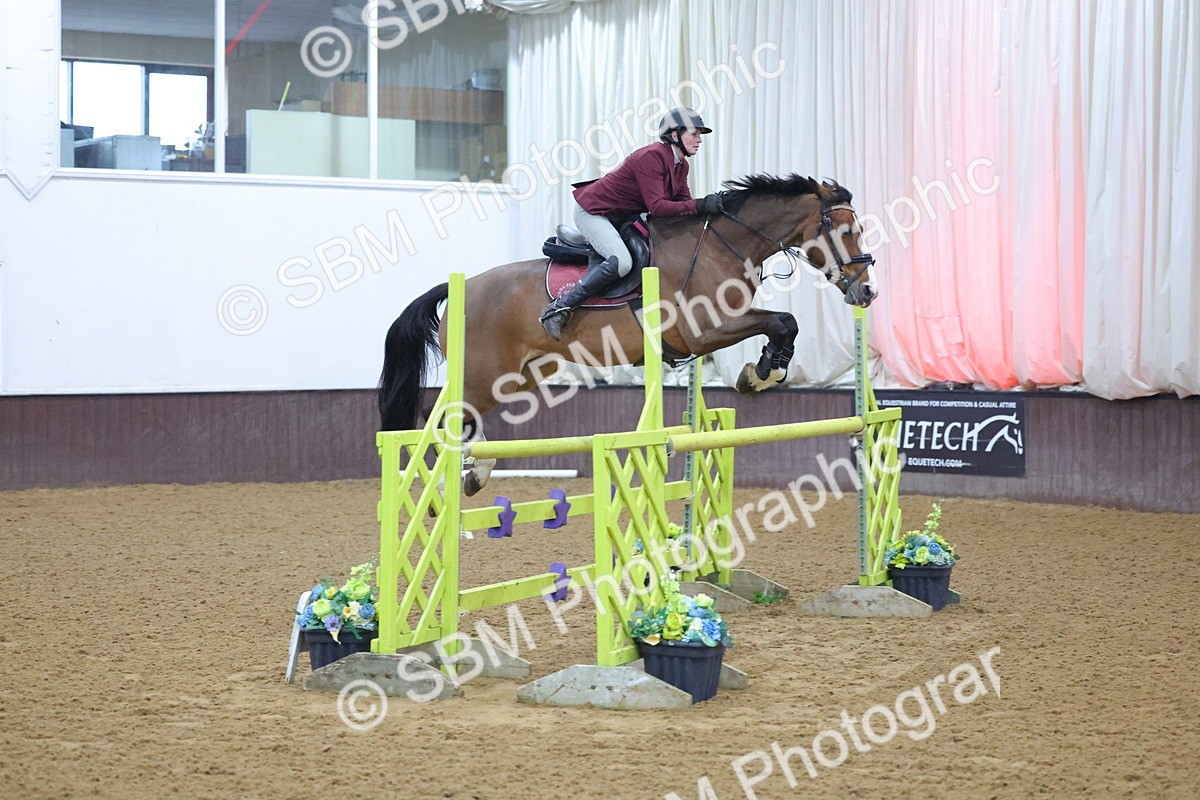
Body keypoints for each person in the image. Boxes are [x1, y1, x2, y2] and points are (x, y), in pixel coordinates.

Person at [538, 106, 725, 341]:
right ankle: (557, 310)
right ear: (675, 135)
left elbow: (684, 204)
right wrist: (701, 205)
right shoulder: (652, 157)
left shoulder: (681, 166)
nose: (699, 140)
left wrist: (713, 212)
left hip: (622, 215)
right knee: (623, 262)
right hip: (594, 212)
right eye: (694, 134)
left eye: (700, 135)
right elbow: (658, 207)